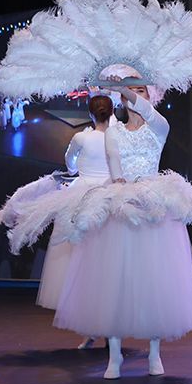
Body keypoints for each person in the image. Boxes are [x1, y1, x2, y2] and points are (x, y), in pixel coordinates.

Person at [53, 72, 192, 379]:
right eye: (131, 92)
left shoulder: (159, 127)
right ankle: (115, 356)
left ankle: (154, 354)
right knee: (115, 281)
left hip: (154, 206)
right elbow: (115, 168)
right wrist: (123, 191)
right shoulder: (113, 131)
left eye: (142, 91)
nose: (137, 96)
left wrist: (123, 88)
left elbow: (147, 113)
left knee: (155, 281)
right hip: (121, 203)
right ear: (121, 99)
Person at [37, 95, 115, 349]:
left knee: (81, 262)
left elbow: (70, 166)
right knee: (106, 263)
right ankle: (105, 329)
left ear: (91, 114)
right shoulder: (118, 136)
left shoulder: (81, 137)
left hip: (83, 196)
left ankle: (93, 329)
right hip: (110, 196)